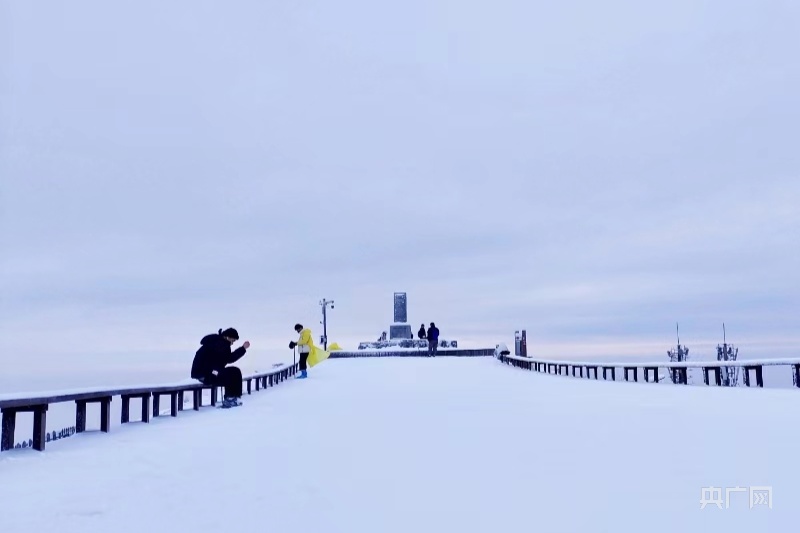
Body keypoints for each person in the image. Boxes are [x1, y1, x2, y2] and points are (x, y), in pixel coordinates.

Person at [191, 327, 250, 408]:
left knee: (234, 371)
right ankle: (230, 399)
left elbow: (224, 359)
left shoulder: (218, 342)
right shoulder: (220, 344)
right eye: (233, 340)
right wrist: (243, 348)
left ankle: (233, 398)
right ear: (227, 337)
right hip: (204, 374)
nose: (232, 343)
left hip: (208, 371)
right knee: (231, 374)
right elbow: (229, 358)